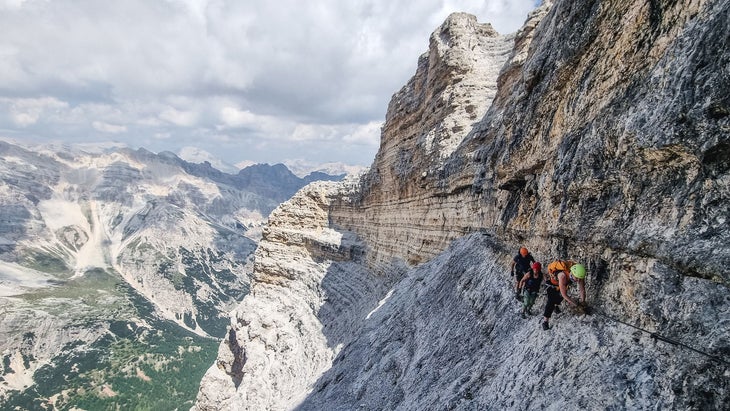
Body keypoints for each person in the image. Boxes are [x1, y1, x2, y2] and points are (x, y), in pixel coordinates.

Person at [541, 260, 586, 330]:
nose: (578, 280)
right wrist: (576, 304)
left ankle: (555, 306)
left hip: (563, 284)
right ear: (572, 273)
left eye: (579, 279)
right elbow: (564, 295)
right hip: (552, 283)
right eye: (576, 278)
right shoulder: (562, 276)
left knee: (559, 298)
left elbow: (582, 289)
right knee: (551, 301)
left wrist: (583, 302)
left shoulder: (579, 274)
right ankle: (545, 321)